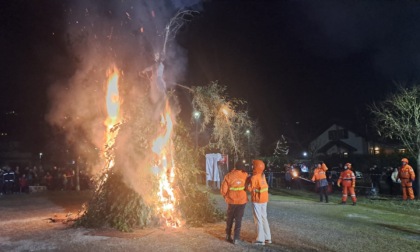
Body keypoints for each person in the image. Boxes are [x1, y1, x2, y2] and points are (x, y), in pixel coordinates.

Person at [220, 161, 248, 244]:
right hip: (242, 201)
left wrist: (226, 196)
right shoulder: (245, 175)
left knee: (230, 219)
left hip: (231, 201)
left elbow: (223, 190)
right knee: (238, 220)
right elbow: (248, 187)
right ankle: (236, 238)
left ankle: (228, 235)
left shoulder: (228, 176)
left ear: (235, 167)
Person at [247, 160, 271, 246]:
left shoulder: (254, 177)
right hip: (264, 199)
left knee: (258, 219)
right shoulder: (262, 176)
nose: (252, 167)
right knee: (264, 217)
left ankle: (260, 239)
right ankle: (267, 237)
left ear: (255, 167)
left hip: (257, 200)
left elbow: (249, 189)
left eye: (253, 166)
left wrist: (247, 182)